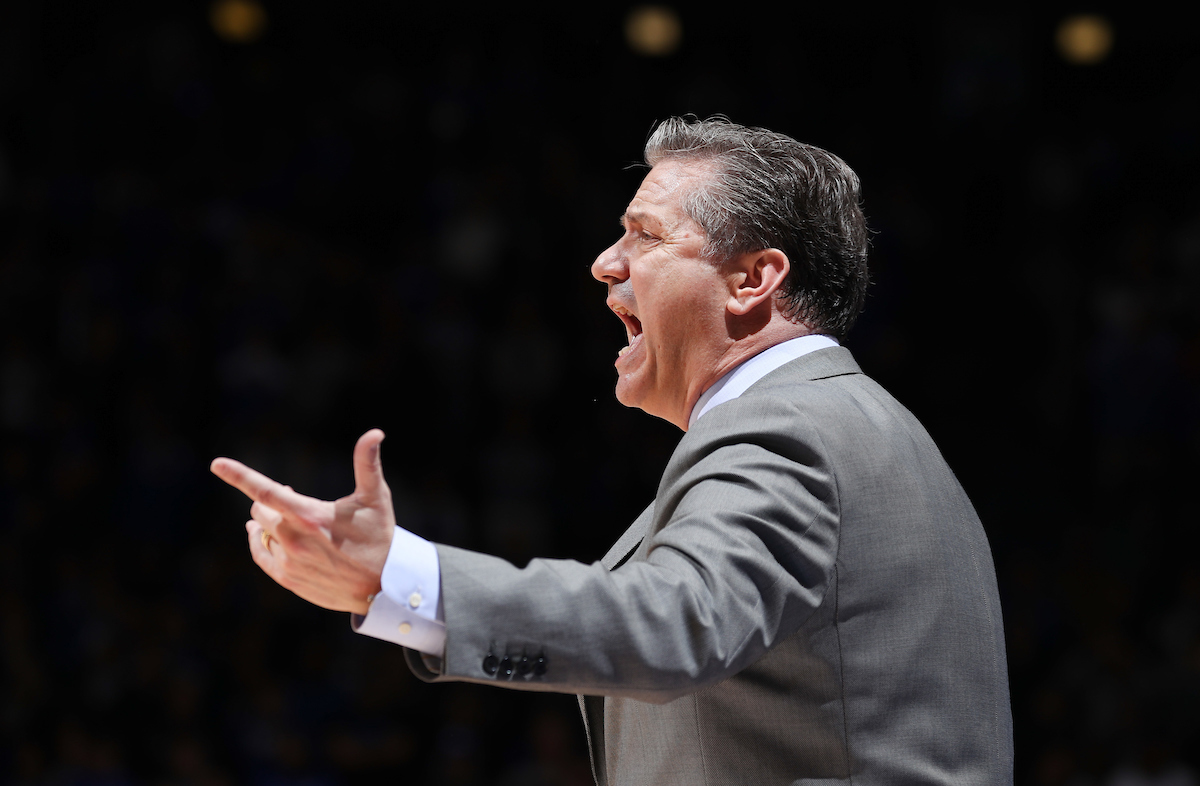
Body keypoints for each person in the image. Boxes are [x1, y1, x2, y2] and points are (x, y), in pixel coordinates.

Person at [212, 116, 1014, 785]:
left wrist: (406, 577)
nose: (605, 263)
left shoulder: (792, 430)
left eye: (645, 234)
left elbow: (674, 619)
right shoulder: (861, 427)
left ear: (752, 281)